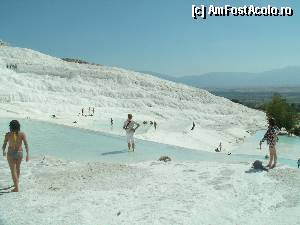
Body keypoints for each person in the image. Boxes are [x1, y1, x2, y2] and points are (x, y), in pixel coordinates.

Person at [2, 120, 29, 192]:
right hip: (19, 153)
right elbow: (26, 144)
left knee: (13, 170)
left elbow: (4, 144)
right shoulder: (22, 134)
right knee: (18, 168)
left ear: (10, 127)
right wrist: (27, 154)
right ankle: (16, 183)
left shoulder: (8, 134)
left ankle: (16, 188)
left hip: (11, 153)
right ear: (18, 127)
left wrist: (3, 151)